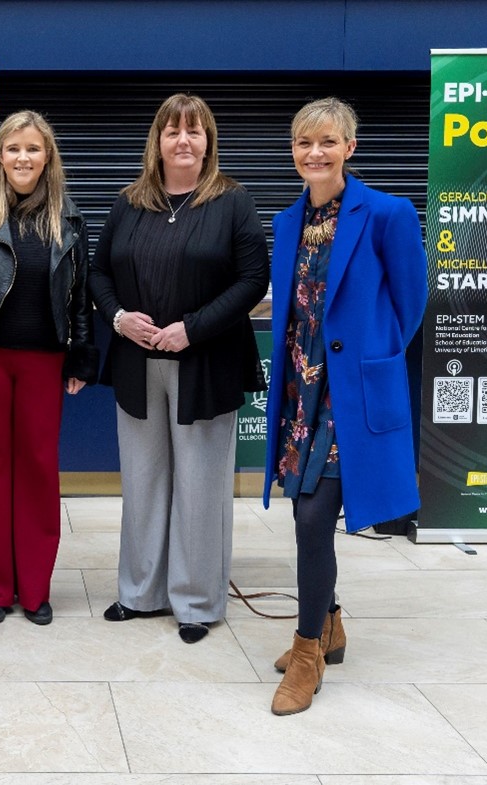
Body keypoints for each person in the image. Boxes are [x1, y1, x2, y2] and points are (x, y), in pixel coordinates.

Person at [263, 97, 427, 715]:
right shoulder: (286, 222)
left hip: (350, 392)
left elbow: (410, 306)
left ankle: (307, 651)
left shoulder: (387, 213)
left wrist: (370, 361)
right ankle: (329, 621)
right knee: (304, 512)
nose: (315, 153)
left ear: (349, 148)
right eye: (304, 143)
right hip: (301, 390)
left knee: (311, 520)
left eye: (327, 142)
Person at [89, 93, 269, 644]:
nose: (184, 140)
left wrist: (192, 328)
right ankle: (140, 592)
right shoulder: (129, 203)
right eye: (173, 131)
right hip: (137, 362)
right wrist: (120, 319)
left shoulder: (232, 202)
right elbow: (98, 275)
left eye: (195, 131)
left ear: (208, 141)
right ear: (158, 142)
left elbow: (252, 280)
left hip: (205, 362)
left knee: (200, 484)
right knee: (143, 482)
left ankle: (195, 602)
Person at [0, 110, 97, 626]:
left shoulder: (68, 219)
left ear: (46, 156)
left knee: (36, 474)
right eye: (13, 149)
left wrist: (80, 354)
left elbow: (79, 296)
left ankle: (33, 587)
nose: (23, 158)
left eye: (32, 149)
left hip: (44, 362)